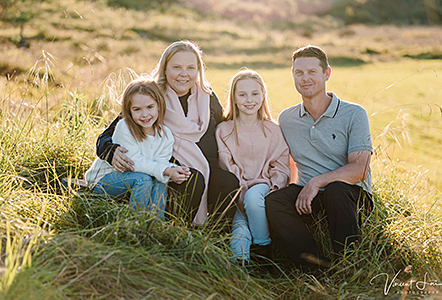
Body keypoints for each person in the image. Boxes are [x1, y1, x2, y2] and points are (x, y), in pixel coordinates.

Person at [96, 40, 239, 226]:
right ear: (165, 69)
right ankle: (176, 232)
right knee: (192, 178)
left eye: (190, 67)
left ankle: (215, 240)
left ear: (198, 70)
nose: (184, 74)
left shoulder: (207, 95)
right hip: (166, 169)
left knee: (229, 183)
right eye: (177, 67)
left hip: (207, 166)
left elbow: (225, 127)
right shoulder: (152, 95)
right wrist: (111, 150)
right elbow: (109, 134)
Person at [265, 45, 373, 271]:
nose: (305, 78)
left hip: (350, 196)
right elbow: (287, 160)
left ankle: (348, 266)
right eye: (298, 73)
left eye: (312, 72)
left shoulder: (354, 113)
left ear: (327, 73)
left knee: (336, 189)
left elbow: (359, 170)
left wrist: (316, 181)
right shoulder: (287, 118)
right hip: (311, 198)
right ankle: (313, 268)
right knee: (274, 201)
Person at [85, 77, 190, 219]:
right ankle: (136, 223)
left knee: (161, 180)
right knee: (144, 179)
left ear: (159, 105)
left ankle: (155, 224)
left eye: (150, 107)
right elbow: (134, 163)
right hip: (103, 180)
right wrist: (166, 170)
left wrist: (172, 169)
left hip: (135, 176)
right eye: (137, 109)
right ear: (129, 111)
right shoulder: (124, 127)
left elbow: (160, 162)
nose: (145, 114)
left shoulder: (165, 134)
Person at [215, 69, 290, 265]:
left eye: (255, 93)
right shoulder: (224, 130)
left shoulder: (273, 130)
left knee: (253, 198)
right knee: (239, 229)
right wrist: (240, 190)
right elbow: (226, 165)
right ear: (234, 97)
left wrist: (274, 188)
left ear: (263, 95)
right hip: (237, 188)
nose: (249, 100)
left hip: (263, 187)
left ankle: (264, 250)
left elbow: (280, 166)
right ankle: (241, 272)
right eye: (242, 94)